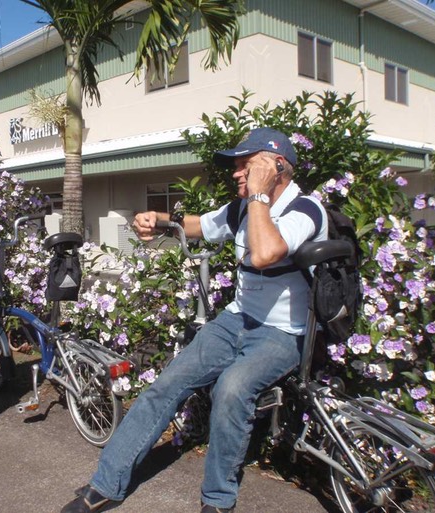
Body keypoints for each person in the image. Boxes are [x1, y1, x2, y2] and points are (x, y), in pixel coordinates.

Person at [60, 127, 328, 512]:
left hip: (283, 334)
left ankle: (218, 501)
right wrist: (160, 219)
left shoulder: (306, 209)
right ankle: (106, 484)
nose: (237, 174)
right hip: (236, 321)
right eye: (237, 167)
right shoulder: (242, 207)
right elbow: (201, 225)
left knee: (232, 390)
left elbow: (268, 252)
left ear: (277, 167)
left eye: (246, 166)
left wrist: (257, 195)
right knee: (166, 383)